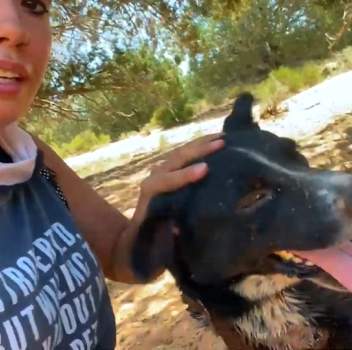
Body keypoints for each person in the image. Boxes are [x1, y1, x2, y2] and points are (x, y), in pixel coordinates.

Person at [0, 1, 225, 348]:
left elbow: (124, 260)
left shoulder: (27, 152)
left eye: (33, 4)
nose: (14, 28)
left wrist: (157, 212)